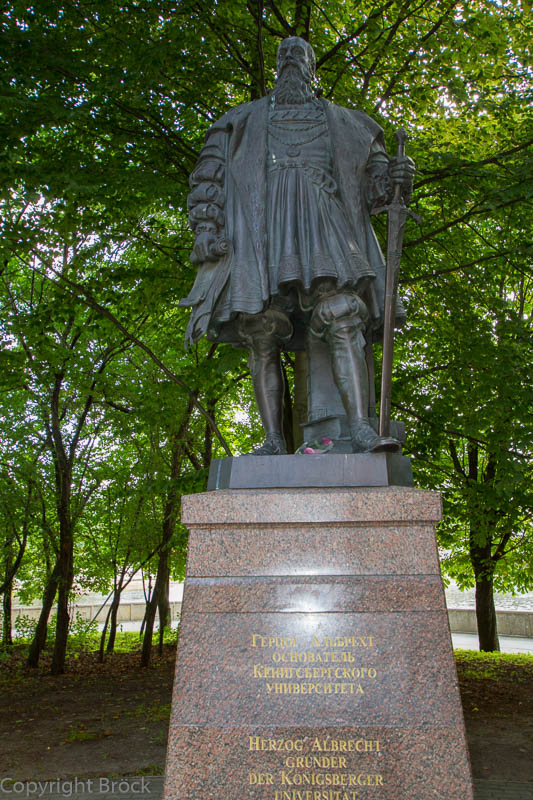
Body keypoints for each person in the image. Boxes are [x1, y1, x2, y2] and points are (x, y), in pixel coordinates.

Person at [181, 36, 415, 455]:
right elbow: (207, 182)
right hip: (259, 237)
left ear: (312, 68)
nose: (290, 59)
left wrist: (397, 176)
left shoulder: (350, 124)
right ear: (276, 66)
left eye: (299, 54)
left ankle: (360, 428)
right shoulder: (238, 123)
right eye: (283, 54)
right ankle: (273, 439)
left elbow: (378, 190)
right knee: (261, 329)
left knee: (341, 315)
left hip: (326, 229)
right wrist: (206, 232)